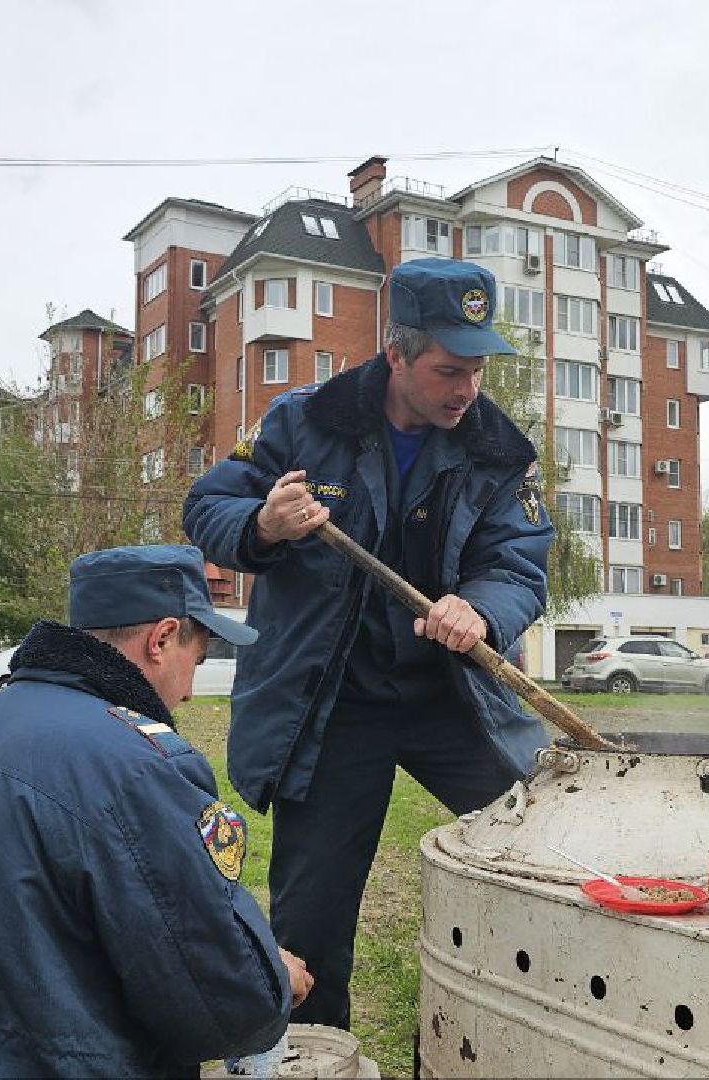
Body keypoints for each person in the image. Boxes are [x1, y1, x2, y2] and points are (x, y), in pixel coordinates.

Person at [183, 256, 555, 1028]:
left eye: (477, 369)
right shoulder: (303, 420)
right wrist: (261, 526)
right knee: (311, 921)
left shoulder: (499, 451)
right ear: (397, 354)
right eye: (448, 369)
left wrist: (479, 610)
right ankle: (313, 1055)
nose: (466, 390)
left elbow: (517, 565)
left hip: (449, 695)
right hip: (330, 702)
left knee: (543, 841)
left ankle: (541, 1017)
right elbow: (208, 505)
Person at [0, 545, 313, 1078]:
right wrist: (272, 979)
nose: (191, 691)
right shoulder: (139, 767)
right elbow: (219, 1005)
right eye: (201, 653)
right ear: (162, 639)